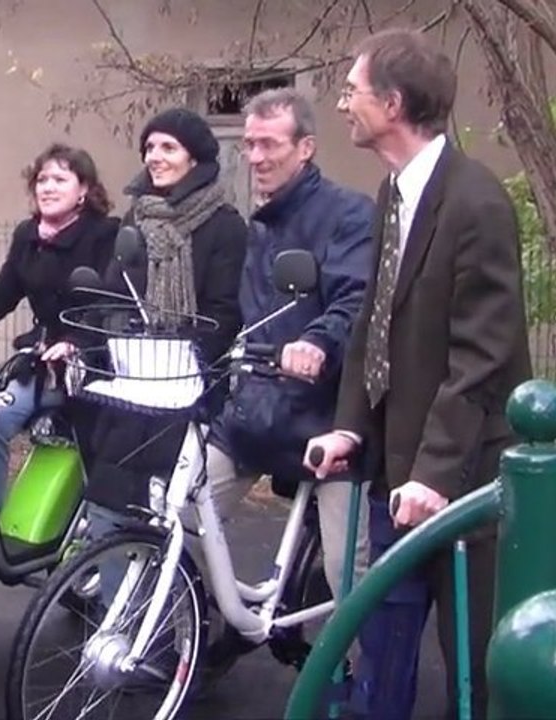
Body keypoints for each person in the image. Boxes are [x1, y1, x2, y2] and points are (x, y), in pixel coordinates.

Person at [305, 28, 531, 720]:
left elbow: (483, 355)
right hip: (392, 469)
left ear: (394, 104)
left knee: (474, 667)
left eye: (353, 91)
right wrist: (348, 426)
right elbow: (377, 320)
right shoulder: (392, 194)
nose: (343, 104)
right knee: (383, 652)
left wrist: (434, 474)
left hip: (462, 482)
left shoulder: (476, 202)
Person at [209, 87, 373, 605]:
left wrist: (316, 343)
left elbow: (355, 301)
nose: (255, 157)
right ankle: (207, 633)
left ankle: (354, 678)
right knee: (188, 518)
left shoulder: (348, 215)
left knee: (350, 571)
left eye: (268, 145)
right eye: (249, 145)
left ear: (305, 148)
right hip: (258, 408)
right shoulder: (259, 224)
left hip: (325, 417)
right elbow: (240, 313)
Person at [82, 107, 247, 551]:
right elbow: (115, 294)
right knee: (107, 507)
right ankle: (113, 613)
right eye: (149, 147)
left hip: (186, 390)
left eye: (167, 147)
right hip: (132, 383)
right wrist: (115, 339)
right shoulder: (136, 220)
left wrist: (177, 359)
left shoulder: (225, 226)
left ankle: (170, 612)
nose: (154, 156)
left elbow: (224, 314)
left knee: (170, 519)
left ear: (195, 159)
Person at [0, 143, 120, 510]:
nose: (47, 187)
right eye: (42, 179)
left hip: (91, 364)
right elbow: (2, 293)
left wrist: (76, 342)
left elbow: (109, 303)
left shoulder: (105, 236)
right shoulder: (28, 236)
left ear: (84, 190)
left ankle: (92, 535)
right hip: (40, 361)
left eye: (60, 179)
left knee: (94, 449)